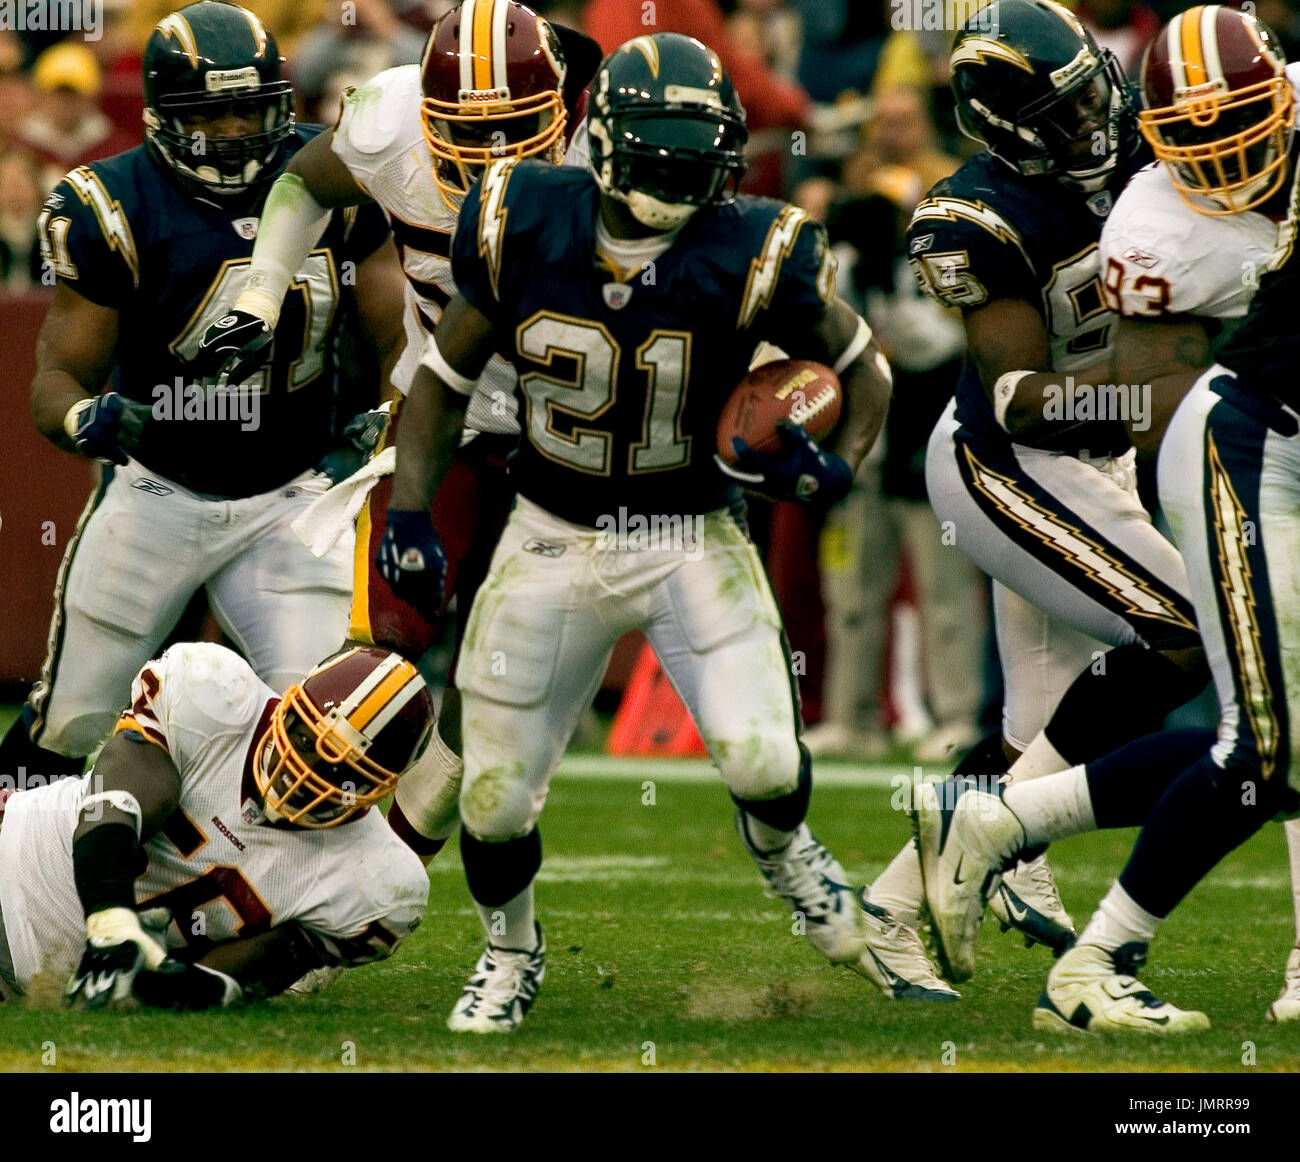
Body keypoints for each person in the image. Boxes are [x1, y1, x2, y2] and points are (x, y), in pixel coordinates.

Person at [380, 32, 896, 1031]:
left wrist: (837, 464)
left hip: (692, 529)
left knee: (764, 763)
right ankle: (509, 951)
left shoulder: (751, 243)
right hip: (551, 529)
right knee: (491, 797)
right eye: (663, 147)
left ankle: (790, 855)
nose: (683, 169)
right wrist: (408, 505)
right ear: (607, 144)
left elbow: (863, 365)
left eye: (697, 147)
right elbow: (442, 379)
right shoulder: (519, 215)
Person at [915, 4, 1300, 1031]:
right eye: (1065, 107)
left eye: (1095, 91)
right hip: (1030, 453)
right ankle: (1068, 918)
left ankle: (991, 826)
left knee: (1259, 725)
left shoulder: (1165, 131)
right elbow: (1104, 404)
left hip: (1170, 441)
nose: (1226, 163)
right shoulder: (1109, 218)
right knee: (1231, 693)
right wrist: (1214, 370)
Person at [192, 0, 602, 864]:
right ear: (425, 111)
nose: (492, 158)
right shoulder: (388, 126)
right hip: (443, 420)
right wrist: (264, 292)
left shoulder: (609, 152)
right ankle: (259, 848)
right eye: (466, 131)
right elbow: (303, 182)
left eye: (517, 130)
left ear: (566, 111)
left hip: (580, 448)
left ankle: (379, 875)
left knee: (502, 691)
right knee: (376, 655)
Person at [862, 0, 1215, 988]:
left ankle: (891, 909)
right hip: (1003, 467)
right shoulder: (974, 215)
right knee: (1185, 632)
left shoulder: (1147, 146)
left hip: (1094, 462)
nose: (1092, 126)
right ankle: (1007, 838)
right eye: (1063, 116)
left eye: (1092, 96)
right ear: (1008, 132)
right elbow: (1019, 402)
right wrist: (1155, 395)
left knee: (1038, 730)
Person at [0, 2, 405, 793]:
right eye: (208, 114)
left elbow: (397, 337)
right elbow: (56, 379)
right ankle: (25, 878)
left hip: (292, 497)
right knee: (73, 718)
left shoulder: (333, 177)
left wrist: (383, 419)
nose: (231, 131)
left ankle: (255, 898)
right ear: (159, 118)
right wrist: (88, 416)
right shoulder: (113, 203)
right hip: (158, 487)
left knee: (319, 733)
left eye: (248, 108)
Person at [0, 641, 433, 1008]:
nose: (304, 766)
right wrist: (110, 916)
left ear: (380, 788)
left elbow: (258, 967)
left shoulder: (377, 880)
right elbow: (117, 799)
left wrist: (159, 988)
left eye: (340, 769)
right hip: (15, 860)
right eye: (304, 734)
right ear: (291, 701)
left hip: (77, 983)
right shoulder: (217, 694)